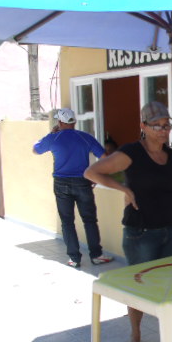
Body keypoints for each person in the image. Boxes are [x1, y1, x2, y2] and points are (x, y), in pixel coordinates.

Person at [84, 101, 172, 342]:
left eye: (166, 124)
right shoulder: (131, 153)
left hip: (170, 230)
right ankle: (135, 334)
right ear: (143, 126)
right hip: (141, 233)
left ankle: (170, 331)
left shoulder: (171, 156)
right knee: (139, 288)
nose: (162, 129)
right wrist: (124, 189)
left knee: (169, 284)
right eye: (156, 124)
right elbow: (91, 172)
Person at [33, 108, 114, 269]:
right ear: (74, 122)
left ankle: (74, 258)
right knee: (90, 220)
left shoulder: (54, 138)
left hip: (61, 183)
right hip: (83, 182)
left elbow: (35, 149)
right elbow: (105, 157)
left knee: (67, 222)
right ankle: (96, 255)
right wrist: (96, 174)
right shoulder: (85, 137)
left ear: (60, 122)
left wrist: (51, 133)